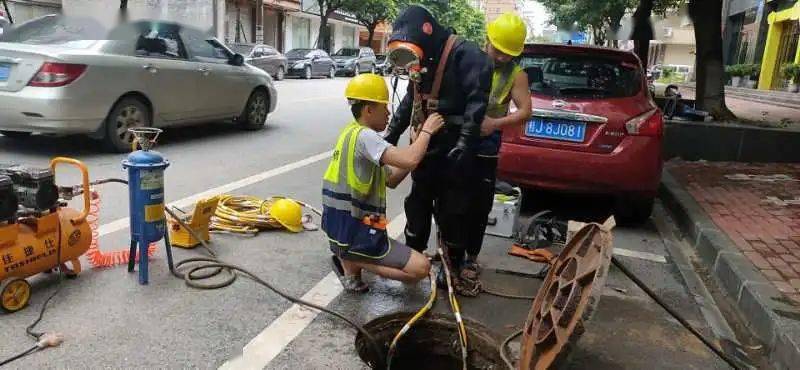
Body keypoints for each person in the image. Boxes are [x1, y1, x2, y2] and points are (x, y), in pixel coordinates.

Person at [383, 6, 492, 286]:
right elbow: (411, 98)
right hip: (427, 145)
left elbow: (476, 104)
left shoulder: (466, 55)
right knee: (418, 203)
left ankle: (451, 262)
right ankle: (413, 257)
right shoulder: (422, 61)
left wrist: (466, 142)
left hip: (455, 147)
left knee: (453, 209)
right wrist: (392, 134)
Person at [322, 73, 445, 293]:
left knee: (383, 244)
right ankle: (353, 260)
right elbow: (410, 159)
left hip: (343, 228)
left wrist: (415, 145)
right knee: (422, 268)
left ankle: (349, 263)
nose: (390, 113)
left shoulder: (350, 134)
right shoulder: (366, 137)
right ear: (369, 110)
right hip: (355, 232)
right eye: (384, 108)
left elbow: (392, 179)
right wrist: (426, 132)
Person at [460, 12, 532, 285]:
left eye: (508, 54)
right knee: (452, 196)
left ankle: (471, 257)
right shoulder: (468, 61)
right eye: (498, 50)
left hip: (485, 143)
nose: (501, 57)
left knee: (479, 203)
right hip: (458, 137)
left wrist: (495, 123)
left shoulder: (516, 75)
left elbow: (525, 112)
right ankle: (447, 249)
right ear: (487, 39)